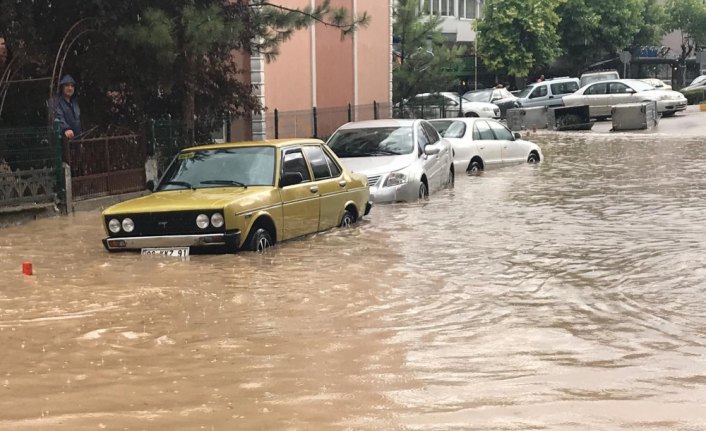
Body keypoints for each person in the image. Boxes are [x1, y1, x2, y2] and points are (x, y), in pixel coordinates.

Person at [52, 74, 81, 139]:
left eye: (72, 86)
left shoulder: (75, 103)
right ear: (62, 87)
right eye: (67, 85)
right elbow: (58, 117)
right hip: (61, 140)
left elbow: (77, 121)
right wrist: (66, 129)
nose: (70, 88)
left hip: (76, 140)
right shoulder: (55, 102)